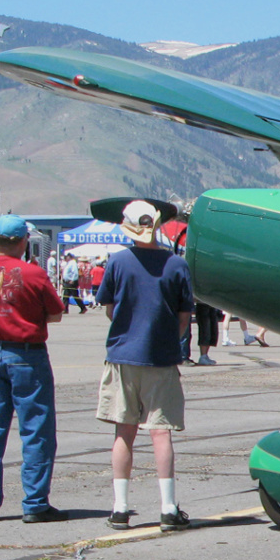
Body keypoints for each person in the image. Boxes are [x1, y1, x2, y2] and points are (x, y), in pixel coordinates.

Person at [94, 200, 194, 531]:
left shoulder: (118, 262)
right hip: (161, 358)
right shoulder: (177, 265)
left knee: (124, 431)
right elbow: (183, 317)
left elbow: (109, 308)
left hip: (123, 355)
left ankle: (120, 508)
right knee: (161, 432)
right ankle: (168, 507)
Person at [0, 215, 68, 523]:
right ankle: (35, 502)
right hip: (26, 355)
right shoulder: (33, 273)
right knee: (36, 428)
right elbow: (55, 314)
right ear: (24, 241)